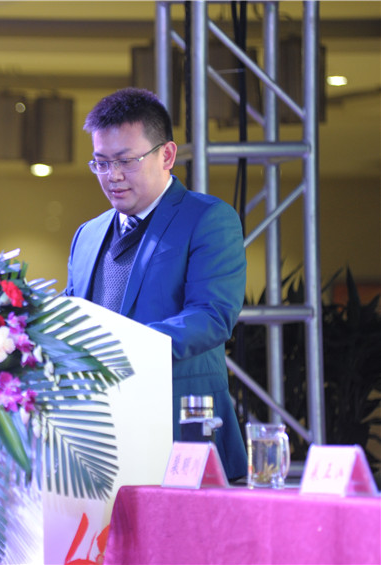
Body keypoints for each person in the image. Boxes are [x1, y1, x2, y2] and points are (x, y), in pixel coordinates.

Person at [64, 87, 247, 480]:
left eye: (126, 161)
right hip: (98, 441)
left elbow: (212, 315)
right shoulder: (88, 234)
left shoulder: (207, 218)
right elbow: (71, 317)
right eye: (100, 163)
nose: (112, 176)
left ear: (166, 155)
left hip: (181, 429)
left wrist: (121, 350)